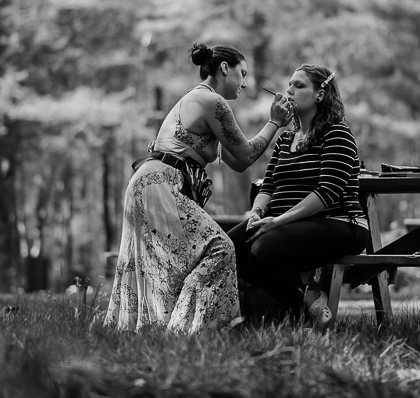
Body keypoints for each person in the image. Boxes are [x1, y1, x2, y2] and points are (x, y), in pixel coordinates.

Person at [103, 42, 291, 334]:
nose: (245, 83)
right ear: (224, 69)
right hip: (160, 184)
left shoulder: (202, 102)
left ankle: (163, 329)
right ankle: (193, 329)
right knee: (221, 248)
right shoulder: (211, 101)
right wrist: (274, 122)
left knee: (173, 264)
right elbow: (246, 155)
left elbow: (237, 163)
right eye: (243, 73)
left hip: (152, 183)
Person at [227, 64, 370, 330]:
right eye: (289, 84)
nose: (289, 90)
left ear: (320, 94)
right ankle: (306, 310)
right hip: (289, 223)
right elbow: (268, 186)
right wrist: (257, 213)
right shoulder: (285, 139)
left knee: (263, 248)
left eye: (299, 85)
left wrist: (278, 221)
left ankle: (302, 312)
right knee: (230, 249)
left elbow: (327, 193)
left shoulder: (336, 133)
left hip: (339, 222)